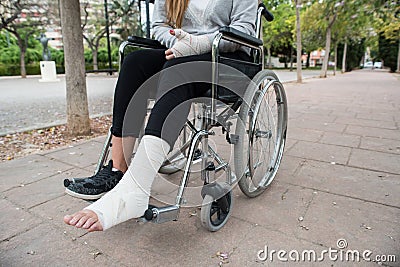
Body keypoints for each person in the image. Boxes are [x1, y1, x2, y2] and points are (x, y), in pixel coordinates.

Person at [64, 0, 258, 231]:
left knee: (178, 68)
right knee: (134, 62)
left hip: (228, 59)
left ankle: (135, 187)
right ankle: (118, 169)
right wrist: (179, 45)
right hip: (180, 52)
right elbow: (158, 26)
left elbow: (244, 30)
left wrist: (199, 44)